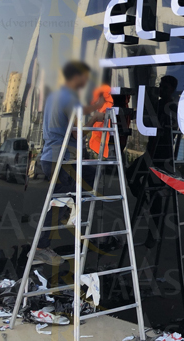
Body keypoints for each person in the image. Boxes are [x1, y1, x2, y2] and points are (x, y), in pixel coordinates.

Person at [32, 61, 105, 265]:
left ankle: (66, 212)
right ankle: (40, 248)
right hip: (61, 159)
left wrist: (95, 107)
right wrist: (95, 118)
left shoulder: (56, 96)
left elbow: (75, 111)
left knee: (89, 176)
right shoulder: (70, 98)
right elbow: (76, 133)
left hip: (53, 157)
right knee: (59, 203)